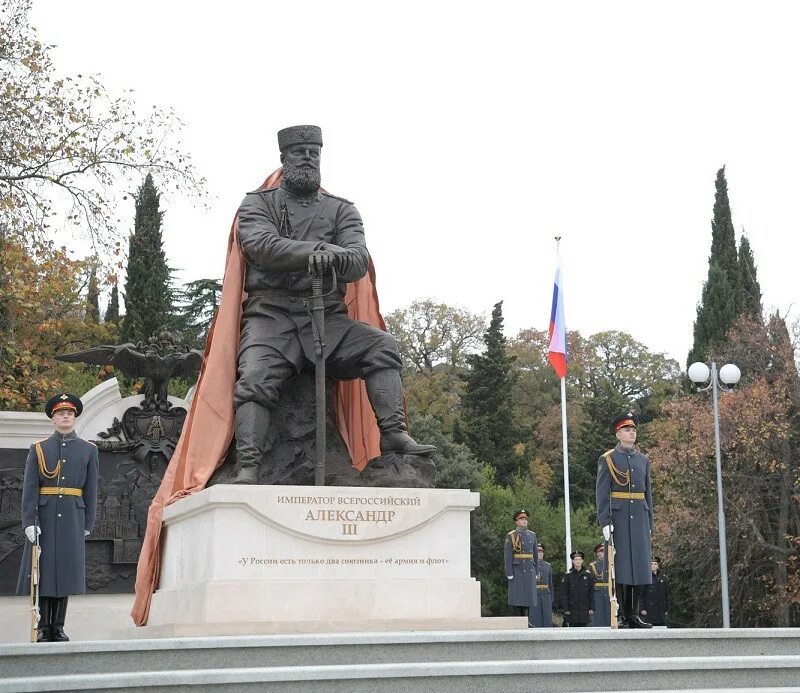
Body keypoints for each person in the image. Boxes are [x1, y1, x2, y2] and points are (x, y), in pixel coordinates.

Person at [232, 124, 434, 483]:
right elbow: (261, 245)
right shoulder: (256, 203)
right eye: (299, 153)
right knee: (254, 378)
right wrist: (319, 251)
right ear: (284, 159)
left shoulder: (342, 210)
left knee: (381, 346)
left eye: (314, 153)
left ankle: (393, 434)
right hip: (271, 315)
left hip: (328, 318)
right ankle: (248, 466)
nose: (308, 158)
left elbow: (358, 260)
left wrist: (336, 257)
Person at [17, 394, 99, 642]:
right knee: (43, 572)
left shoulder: (89, 450)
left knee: (65, 572)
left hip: (72, 518)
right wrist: (29, 521)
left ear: (75, 417)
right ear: (53, 418)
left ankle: (58, 627)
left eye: (70, 413)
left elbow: (92, 489)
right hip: (44, 516)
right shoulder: (39, 449)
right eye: (61, 413)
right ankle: (42, 628)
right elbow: (30, 488)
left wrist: (88, 523)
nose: (65, 416)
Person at [596, 412, 653, 629]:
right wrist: (605, 521)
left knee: (638, 567)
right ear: (618, 434)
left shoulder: (643, 460)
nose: (632, 433)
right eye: (627, 430)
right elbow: (602, 493)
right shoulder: (608, 459)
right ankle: (621, 613)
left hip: (639, 517)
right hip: (618, 518)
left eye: (634, 430)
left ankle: (634, 614)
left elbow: (648, 494)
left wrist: (650, 522)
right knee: (620, 567)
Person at [504, 510, 539, 626]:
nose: (525, 521)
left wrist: (536, 571)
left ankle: (526, 621)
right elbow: (507, 556)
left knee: (528, 597)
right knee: (518, 597)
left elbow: (535, 554)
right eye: (522, 519)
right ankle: (519, 622)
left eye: (526, 519)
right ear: (517, 521)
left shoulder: (532, 535)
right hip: (517, 569)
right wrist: (509, 572)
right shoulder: (511, 535)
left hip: (529, 569)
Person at [561, 550, 594, 627]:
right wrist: (566, 609)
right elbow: (564, 594)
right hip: (572, 610)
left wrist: (591, 607)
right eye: (576, 559)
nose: (578, 561)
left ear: (582, 561)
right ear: (573, 561)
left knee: (585, 632)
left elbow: (591, 592)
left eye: (579, 559)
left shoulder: (588, 575)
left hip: (584, 609)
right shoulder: (568, 576)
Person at [531, 542, 554, 627]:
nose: (540, 554)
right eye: (538, 552)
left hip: (545, 594)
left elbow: (550, 583)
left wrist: (551, 597)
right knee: (536, 619)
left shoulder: (548, 566)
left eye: (541, 552)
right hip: (535, 594)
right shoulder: (531, 565)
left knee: (547, 619)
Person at [589, 542, 611, 627]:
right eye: (601, 551)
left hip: (609, 591)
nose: (603, 553)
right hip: (597, 592)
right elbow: (590, 583)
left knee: (609, 613)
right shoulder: (593, 565)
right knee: (599, 615)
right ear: (597, 553)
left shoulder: (611, 563)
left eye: (605, 551)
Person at [642, 557, 669, 626]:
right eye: (651, 564)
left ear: (658, 565)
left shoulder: (663, 578)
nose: (653, 566)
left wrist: (667, 608)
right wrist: (642, 608)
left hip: (660, 609)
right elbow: (641, 594)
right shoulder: (645, 578)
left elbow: (666, 594)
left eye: (655, 564)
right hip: (649, 609)